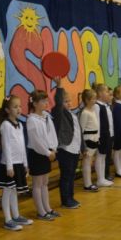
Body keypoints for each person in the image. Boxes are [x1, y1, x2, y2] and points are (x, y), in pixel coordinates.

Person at [0, 95, 34, 231]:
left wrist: (25, 164)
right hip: (9, 165)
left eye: (20, 106)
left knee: (14, 191)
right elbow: (7, 147)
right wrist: (9, 166)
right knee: (7, 192)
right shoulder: (5, 125)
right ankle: (8, 219)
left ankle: (16, 215)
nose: (19, 109)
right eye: (15, 107)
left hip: (18, 163)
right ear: (7, 110)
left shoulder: (19, 125)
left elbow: (22, 146)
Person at [27, 89, 60, 220]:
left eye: (46, 100)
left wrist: (54, 148)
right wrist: (47, 152)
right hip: (37, 153)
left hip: (48, 152)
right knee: (37, 183)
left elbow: (52, 133)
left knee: (45, 182)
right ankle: (41, 211)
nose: (46, 103)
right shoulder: (32, 120)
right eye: (43, 101)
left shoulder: (46, 116)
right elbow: (36, 141)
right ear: (35, 103)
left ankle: (48, 208)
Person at [51, 78, 82, 209]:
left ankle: (71, 197)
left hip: (75, 150)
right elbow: (58, 104)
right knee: (66, 176)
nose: (69, 103)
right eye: (66, 101)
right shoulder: (59, 113)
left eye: (69, 101)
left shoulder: (73, 115)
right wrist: (59, 87)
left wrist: (82, 148)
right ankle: (65, 200)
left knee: (72, 175)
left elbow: (79, 133)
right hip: (65, 150)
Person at [93, 83, 114, 187]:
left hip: (107, 134)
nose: (108, 94)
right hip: (101, 135)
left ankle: (102, 178)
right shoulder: (97, 106)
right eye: (106, 92)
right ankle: (100, 179)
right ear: (100, 93)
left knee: (103, 156)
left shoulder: (105, 106)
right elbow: (97, 123)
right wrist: (98, 137)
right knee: (100, 156)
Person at [79, 89, 100, 192]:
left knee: (90, 162)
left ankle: (89, 182)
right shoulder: (85, 113)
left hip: (94, 138)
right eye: (93, 98)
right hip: (88, 140)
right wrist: (83, 147)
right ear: (87, 100)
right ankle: (87, 184)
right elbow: (81, 130)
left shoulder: (92, 110)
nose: (95, 100)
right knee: (87, 163)